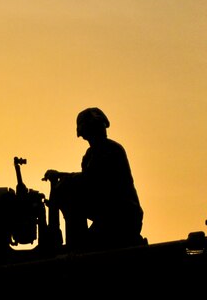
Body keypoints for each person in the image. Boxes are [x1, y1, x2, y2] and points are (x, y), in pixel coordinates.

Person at [44, 107, 144, 250]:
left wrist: (63, 179)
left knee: (66, 191)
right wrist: (62, 177)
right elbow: (87, 183)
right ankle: (73, 245)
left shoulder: (111, 150)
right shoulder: (90, 155)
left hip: (122, 218)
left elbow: (91, 180)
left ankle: (76, 248)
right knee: (67, 192)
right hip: (108, 217)